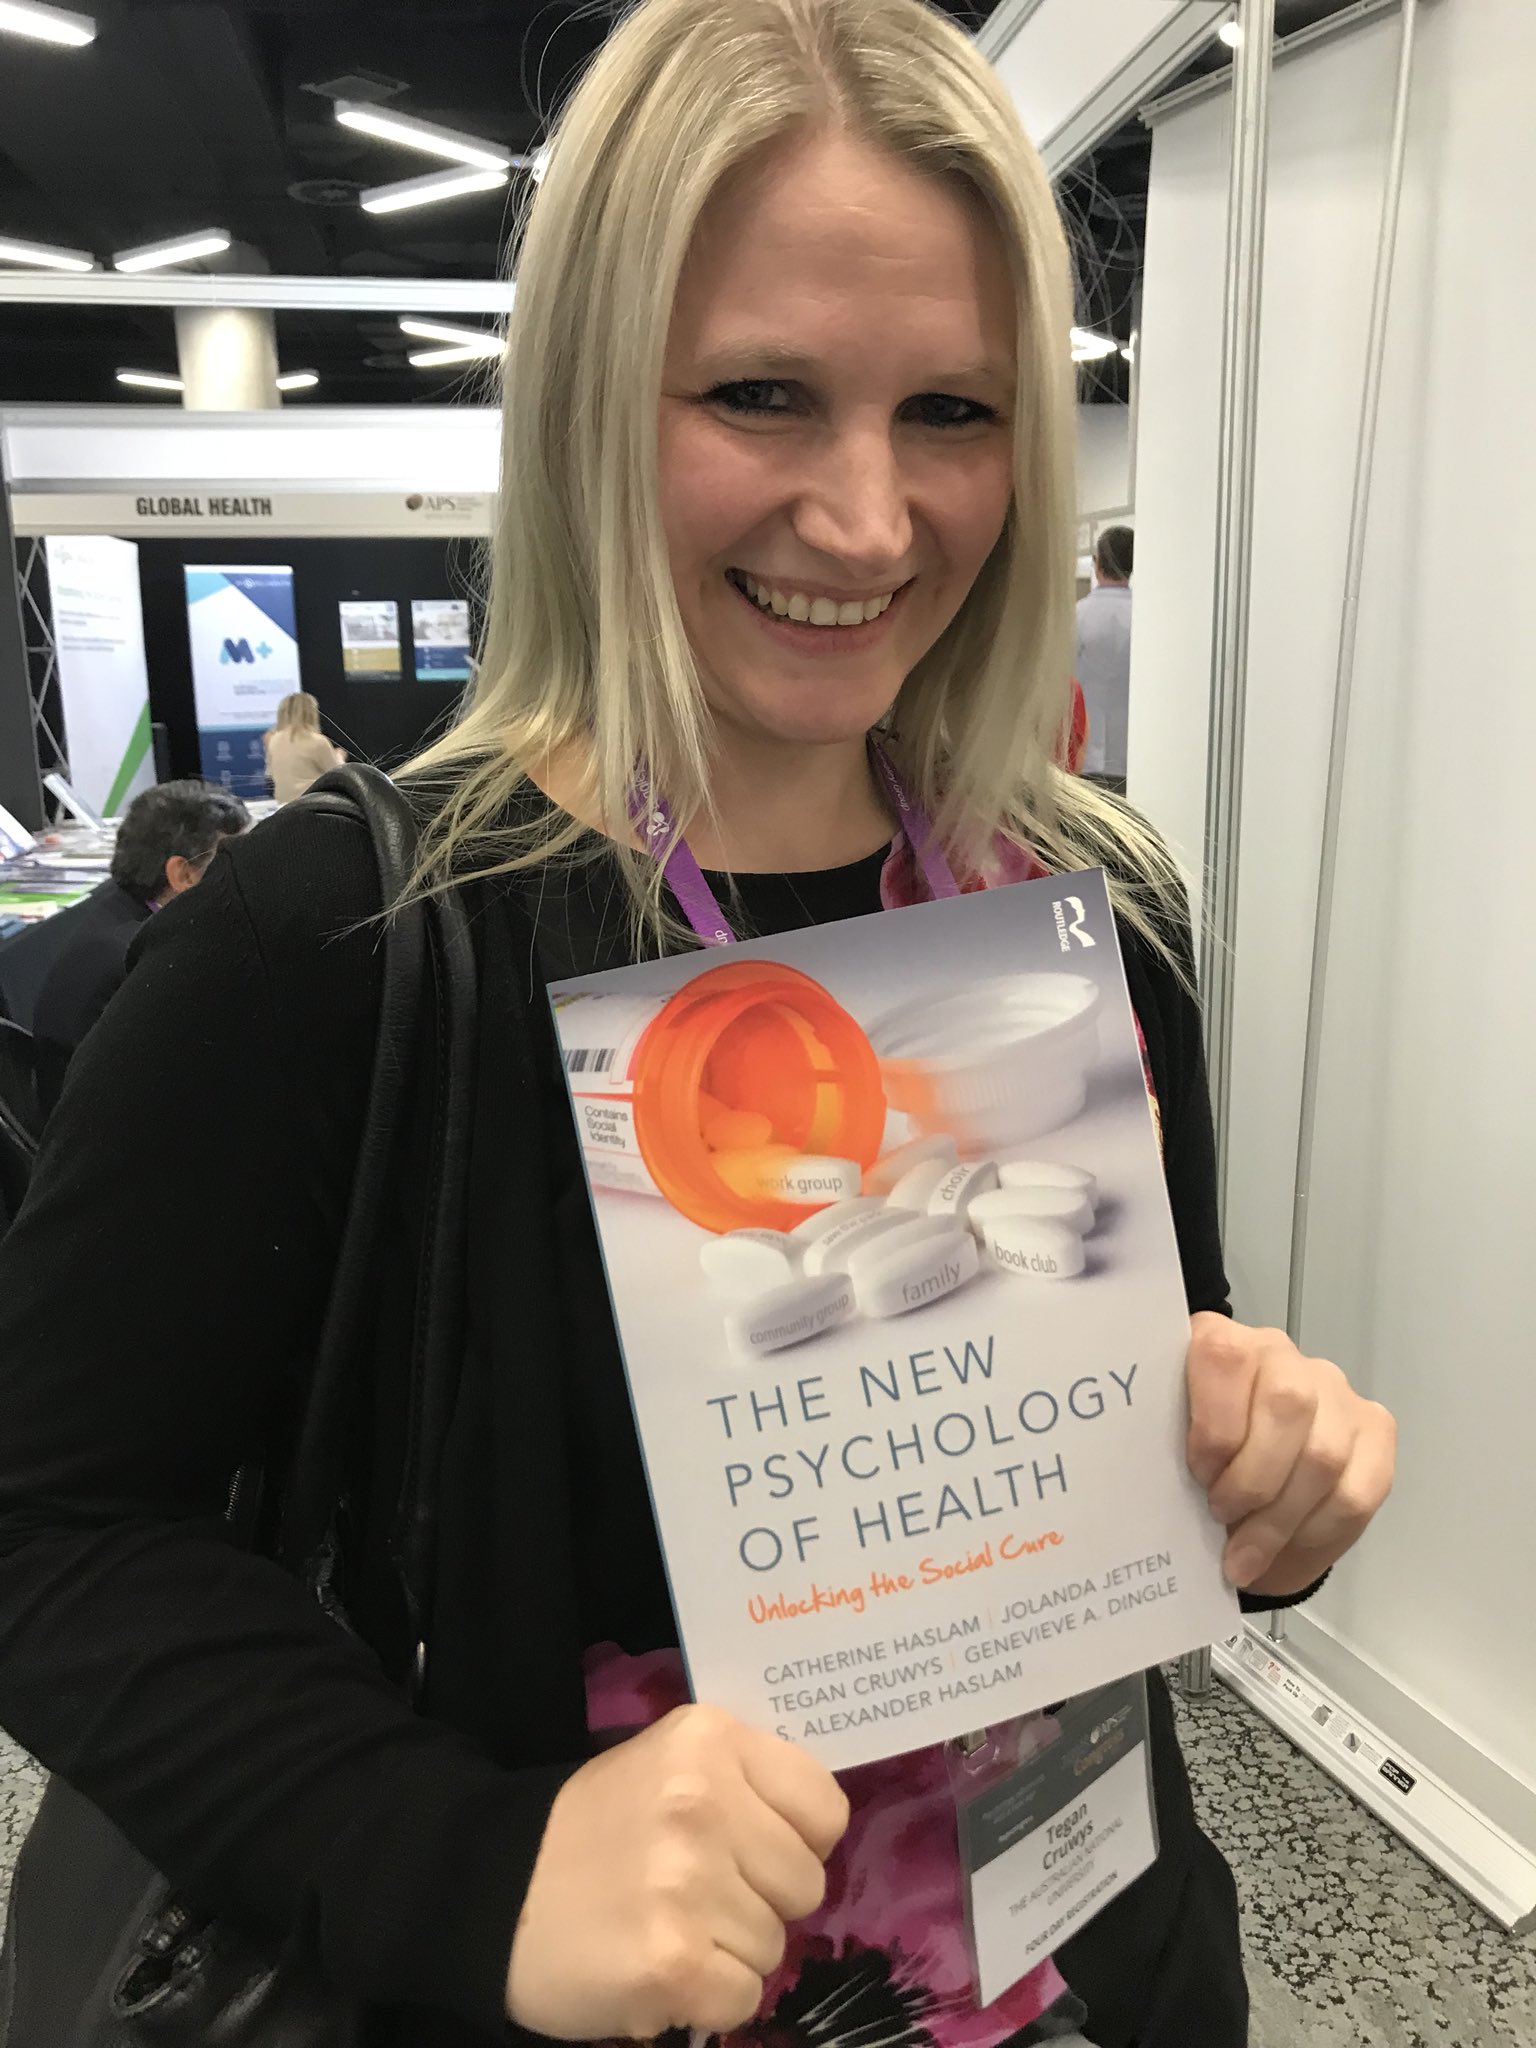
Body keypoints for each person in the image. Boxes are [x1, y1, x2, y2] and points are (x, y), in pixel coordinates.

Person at [0, 5, 1396, 2046]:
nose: (870, 521)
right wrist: (458, 1861)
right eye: (761, 394)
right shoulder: (341, 940)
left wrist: (1256, 1480)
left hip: (1089, 1959)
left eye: (953, 410)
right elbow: (53, 1521)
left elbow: (1133, 1401)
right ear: (590, 399)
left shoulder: (1085, 906)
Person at [29, 777, 248, 1115]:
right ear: (182, 874)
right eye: (231, 862)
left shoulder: (121, 914)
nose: (243, 876)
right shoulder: (140, 959)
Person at [1074, 526, 1135, 791]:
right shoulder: (1147, 617)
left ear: (1096, 564)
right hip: (1134, 757)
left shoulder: (1077, 615)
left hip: (1087, 757)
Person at [263, 689, 346, 803]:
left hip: (285, 805)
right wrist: (339, 757)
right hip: (315, 803)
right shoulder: (318, 741)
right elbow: (339, 776)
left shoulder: (274, 740)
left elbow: (271, 774)